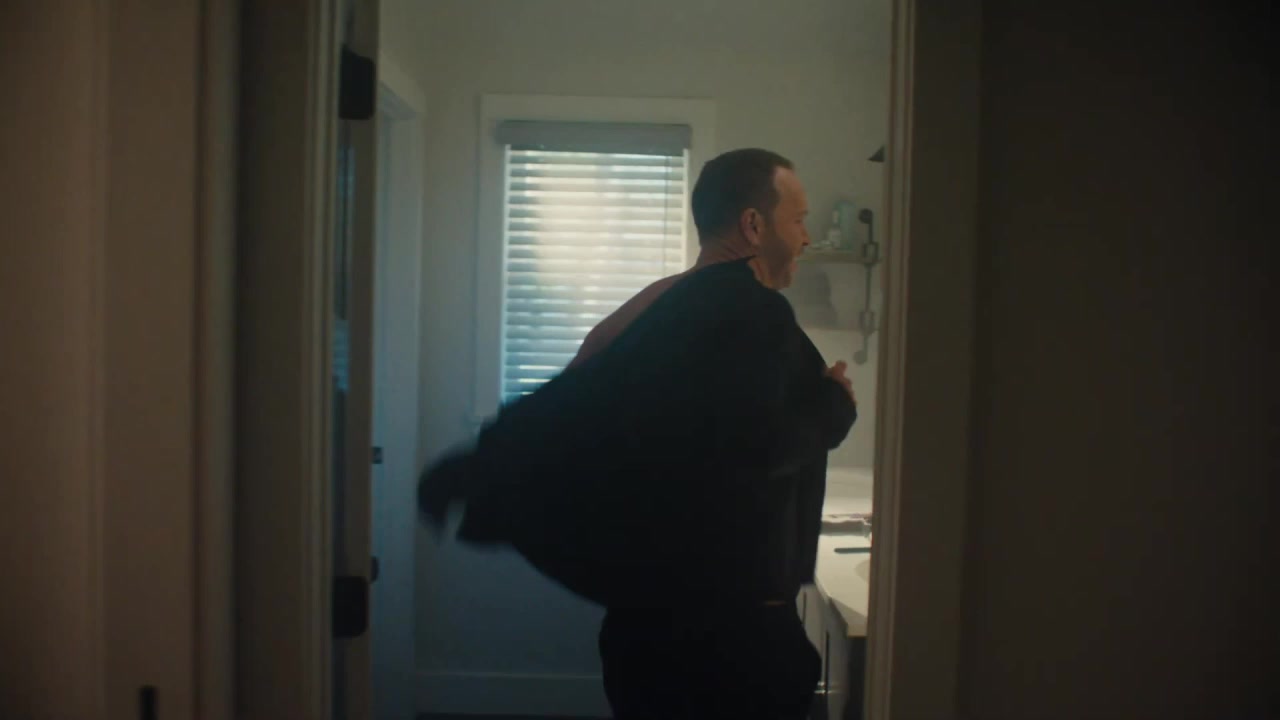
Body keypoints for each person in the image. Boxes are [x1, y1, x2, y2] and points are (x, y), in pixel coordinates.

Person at [418, 148, 856, 719]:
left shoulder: (659, 305)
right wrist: (833, 407)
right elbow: (757, 448)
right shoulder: (755, 311)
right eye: (797, 220)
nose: (805, 238)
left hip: (645, 632)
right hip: (732, 643)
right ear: (754, 225)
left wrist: (484, 466)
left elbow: (577, 396)